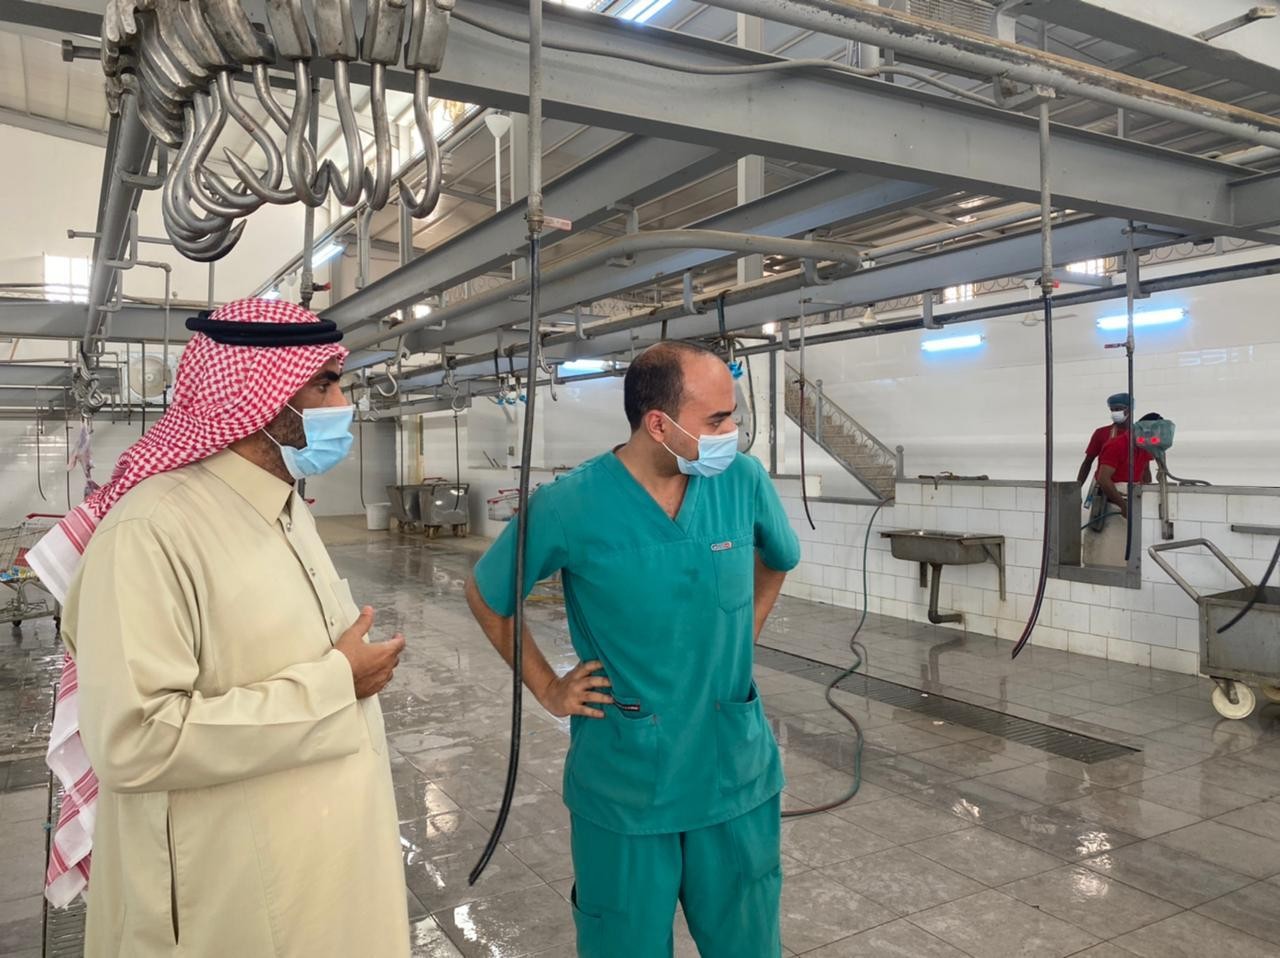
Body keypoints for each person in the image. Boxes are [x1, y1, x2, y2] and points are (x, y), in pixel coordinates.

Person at [29, 299, 410, 956]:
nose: (342, 404)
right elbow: (133, 740)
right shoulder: (151, 532)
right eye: (325, 385)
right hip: (234, 901)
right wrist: (336, 685)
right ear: (260, 397)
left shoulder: (287, 510)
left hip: (322, 873)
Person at [466, 341, 800, 957]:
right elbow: (489, 595)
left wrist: (741, 634)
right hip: (627, 785)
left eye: (733, 416)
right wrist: (547, 686)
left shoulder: (741, 482)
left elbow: (779, 560)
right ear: (659, 425)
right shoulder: (571, 506)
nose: (732, 433)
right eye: (717, 420)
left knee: (749, 943)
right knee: (624, 943)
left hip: (734, 774)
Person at [1097, 412, 1161, 518]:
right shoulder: (1116, 445)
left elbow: (1145, 473)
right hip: (1113, 501)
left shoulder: (1145, 446)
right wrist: (1123, 505)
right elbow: (1103, 479)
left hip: (1134, 498)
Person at [1077, 391, 1132, 487]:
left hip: (1132, 486)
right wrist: (1076, 488)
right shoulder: (1101, 433)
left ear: (1129, 409)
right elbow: (1087, 462)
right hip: (1103, 486)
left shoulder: (1138, 434)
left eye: (1118, 409)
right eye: (1112, 410)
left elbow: (1145, 468)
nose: (1114, 413)